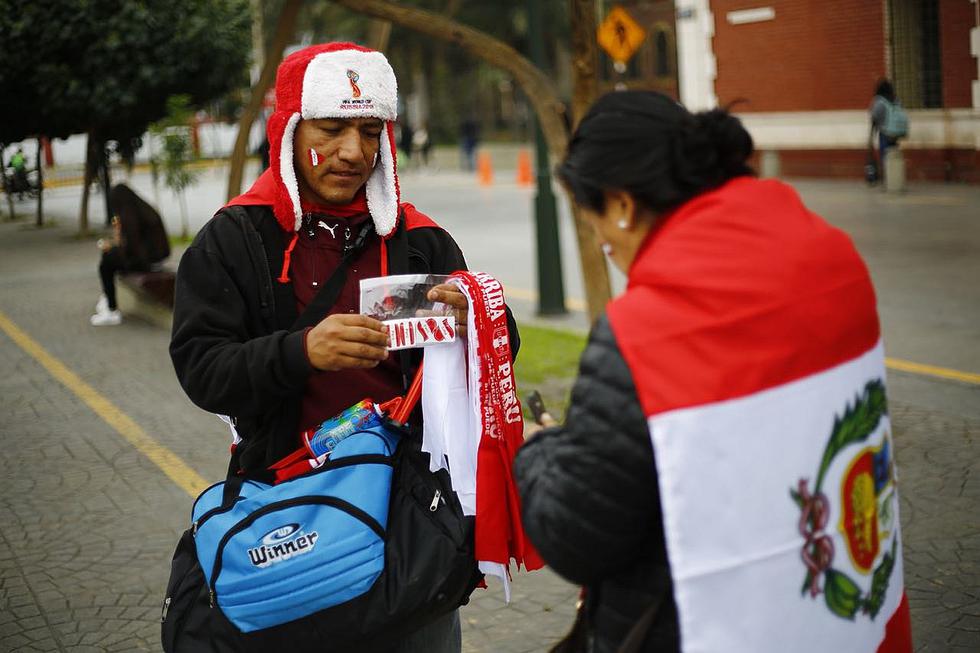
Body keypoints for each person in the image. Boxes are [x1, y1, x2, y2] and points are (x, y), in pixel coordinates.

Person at [514, 91, 912, 653]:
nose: (601, 242)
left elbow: (578, 537)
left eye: (592, 220)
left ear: (622, 204)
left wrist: (541, 449)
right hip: (848, 620)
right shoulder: (836, 261)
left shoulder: (648, 330)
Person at [169, 42, 519, 652]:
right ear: (289, 131)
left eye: (370, 131)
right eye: (331, 130)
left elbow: (500, 350)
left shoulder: (419, 239)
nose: (353, 152)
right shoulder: (234, 239)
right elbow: (202, 369)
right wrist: (301, 352)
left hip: (412, 518)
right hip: (290, 511)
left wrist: (481, 321)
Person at [91, 183, 170, 326]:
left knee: (106, 262)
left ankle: (111, 310)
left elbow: (131, 248)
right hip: (157, 259)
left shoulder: (130, 215)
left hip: (148, 262)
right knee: (111, 258)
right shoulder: (143, 209)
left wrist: (113, 246)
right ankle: (108, 297)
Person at [869, 78, 905, 185]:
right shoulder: (896, 100)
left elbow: (874, 118)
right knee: (894, 154)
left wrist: (871, 135)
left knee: (884, 156)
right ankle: (895, 177)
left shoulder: (879, 101)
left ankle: (888, 180)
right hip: (896, 133)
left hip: (885, 132)